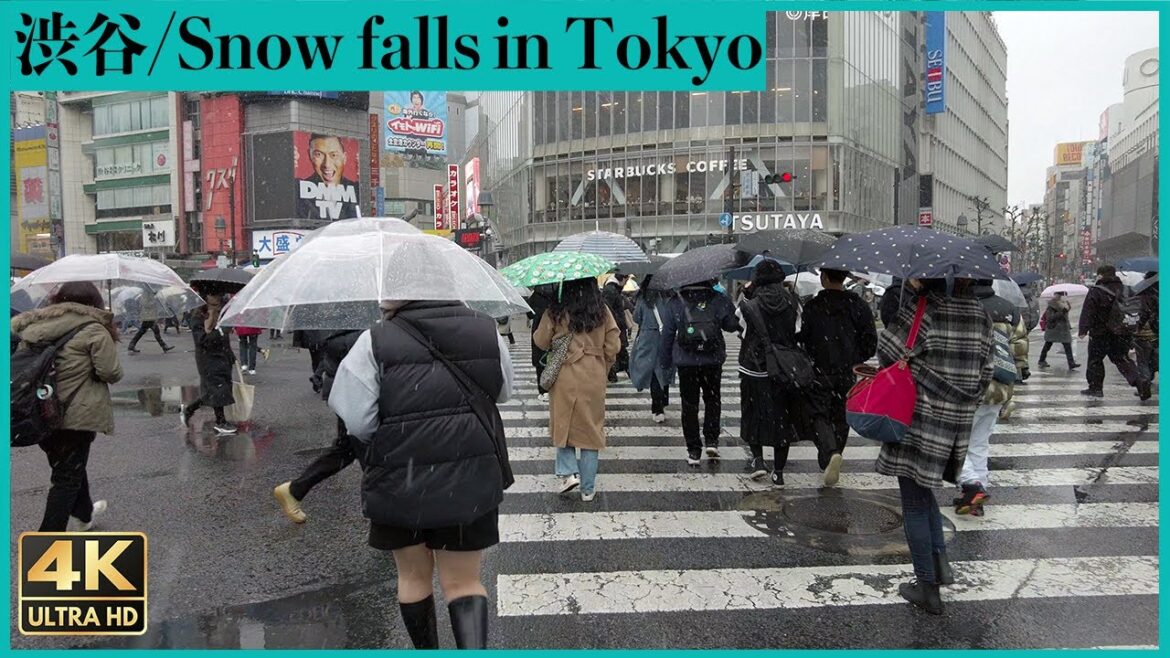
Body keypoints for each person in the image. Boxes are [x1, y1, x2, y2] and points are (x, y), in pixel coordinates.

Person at [329, 299, 514, 649]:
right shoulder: (485, 330)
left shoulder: (375, 340)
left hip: (401, 477)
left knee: (413, 579)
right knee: (464, 583)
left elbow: (357, 420)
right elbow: (503, 392)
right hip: (468, 476)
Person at [876, 278, 994, 616]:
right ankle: (940, 566)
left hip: (919, 415)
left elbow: (888, 350)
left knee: (913, 501)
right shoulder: (980, 313)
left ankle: (927, 587)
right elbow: (986, 370)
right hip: (955, 423)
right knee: (924, 493)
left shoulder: (925, 308)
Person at [12, 282, 123, 531]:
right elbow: (111, 372)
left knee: (67, 466)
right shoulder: (93, 329)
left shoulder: (34, 326)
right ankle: (47, 546)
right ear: (94, 302)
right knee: (65, 478)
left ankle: (84, 514)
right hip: (74, 413)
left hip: (38, 411)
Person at [533, 277, 621, 501]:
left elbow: (541, 341)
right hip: (593, 375)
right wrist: (602, 365)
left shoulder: (557, 311)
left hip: (565, 373)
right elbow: (613, 345)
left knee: (564, 423)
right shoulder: (602, 311)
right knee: (591, 430)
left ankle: (568, 472)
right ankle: (588, 489)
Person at [797, 268, 878, 486]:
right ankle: (835, 453)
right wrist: (855, 357)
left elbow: (803, 337)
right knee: (842, 416)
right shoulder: (858, 306)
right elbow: (870, 341)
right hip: (847, 372)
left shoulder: (813, 306)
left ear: (824, 278)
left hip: (819, 370)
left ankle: (829, 452)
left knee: (818, 414)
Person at [273, 329, 363, 523]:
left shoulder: (344, 325)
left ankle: (295, 490)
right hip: (355, 393)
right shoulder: (358, 331)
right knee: (361, 448)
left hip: (348, 390)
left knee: (349, 448)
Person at [955, 280, 1029, 516]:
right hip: (999, 387)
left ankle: (972, 486)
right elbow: (1019, 346)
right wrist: (1019, 370)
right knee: (979, 444)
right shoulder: (1008, 309)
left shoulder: (964, 307)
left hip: (969, 386)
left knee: (952, 444)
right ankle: (977, 496)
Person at [659, 279, 740, 465]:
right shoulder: (718, 298)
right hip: (712, 359)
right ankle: (712, 440)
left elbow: (668, 335)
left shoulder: (675, 301)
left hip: (686, 362)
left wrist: (665, 362)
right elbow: (731, 325)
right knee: (713, 400)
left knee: (689, 405)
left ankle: (693, 450)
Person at [736, 261, 802, 483]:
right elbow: (798, 331)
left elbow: (742, 331)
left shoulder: (749, 305)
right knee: (781, 416)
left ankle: (758, 460)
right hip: (784, 367)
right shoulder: (793, 302)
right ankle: (779, 471)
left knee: (753, 413)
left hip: (753, 367)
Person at [1077, 264, 1149, 400]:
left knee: (1095, 360)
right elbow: (1137, 308)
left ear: (1100, 275)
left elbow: (1088, 311)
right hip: (1122, 332)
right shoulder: (1125, 290)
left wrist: (1083, 329)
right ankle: (1140, 382)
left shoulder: (1096, 291)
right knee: (1122, 359)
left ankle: (1096, 388)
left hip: (1100, 333)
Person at [181, 293, 237, 435]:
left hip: (222, 357)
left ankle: (189, 409)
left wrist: (230, 354)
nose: (217, 301)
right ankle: (220, 421)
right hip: (208, 360)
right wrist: (213, 325)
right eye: (213, 299)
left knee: (216, 389)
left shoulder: (221, 316)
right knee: (218, 388)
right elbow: (202, 341)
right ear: (205, 300)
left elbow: (225, 338)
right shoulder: (197, 318)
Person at [629, 275, 676, 423]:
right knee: (664, 369)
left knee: (654, 373)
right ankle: (662, 402)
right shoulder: (668, 298)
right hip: (666, 337)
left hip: (648, 339)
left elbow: (637, 318)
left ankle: (657, 407)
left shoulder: (644, 300)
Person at [296, 134, 360, 221]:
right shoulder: (298, 190)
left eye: (333, 155)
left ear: (344, 158)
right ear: (310, 156)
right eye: (319, 154)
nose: (327, 164)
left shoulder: (357, 190)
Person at [526, 285, 556, 402]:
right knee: (555, 359)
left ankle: (543, 390)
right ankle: (554, 387)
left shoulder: (535, 296)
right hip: (555, 330)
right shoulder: (558, 294)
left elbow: (529, 314)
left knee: (540, 361)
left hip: (539, 330)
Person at [602, 273, 633, 382]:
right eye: (626, 279)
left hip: (617, 325)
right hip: (616, 326)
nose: (626, 283)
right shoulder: (611, 290)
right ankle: (616, 374)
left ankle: (613, 374)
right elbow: (608, 309)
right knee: (619, 350)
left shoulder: (613, 289)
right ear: (622, 278)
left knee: (619, 350)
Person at [1037, 291, 1079, 371]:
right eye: (1060, 295)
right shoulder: (1051, 305)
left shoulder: (1064, 304)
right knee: (1048, 345)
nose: (1062, 296)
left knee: (1067, 345)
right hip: (1054, 329)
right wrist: (1062, 312)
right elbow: (1050, 318)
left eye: (1063, 295)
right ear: (1056, 296)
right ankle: (1041, 360)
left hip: (1063, 329)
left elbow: (1065, 316)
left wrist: (1067, 309)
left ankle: (1071, 363)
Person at [127, 288, 174, 354]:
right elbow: (145, 304)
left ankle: (131, 345)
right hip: (148, 317)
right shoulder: (145, 294)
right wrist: (154, 301)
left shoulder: (151, 294)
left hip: (150, 316)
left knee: (142, 332)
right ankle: (164, 346)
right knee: (155, 331)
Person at [1134, 272, 1158, 386]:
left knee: (1143, 362)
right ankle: (1150, 376)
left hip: (1144, 335)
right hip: (1157, 334)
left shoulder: (1143, 296)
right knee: (1154, 358)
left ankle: (1145, 385)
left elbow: (1141, 317)